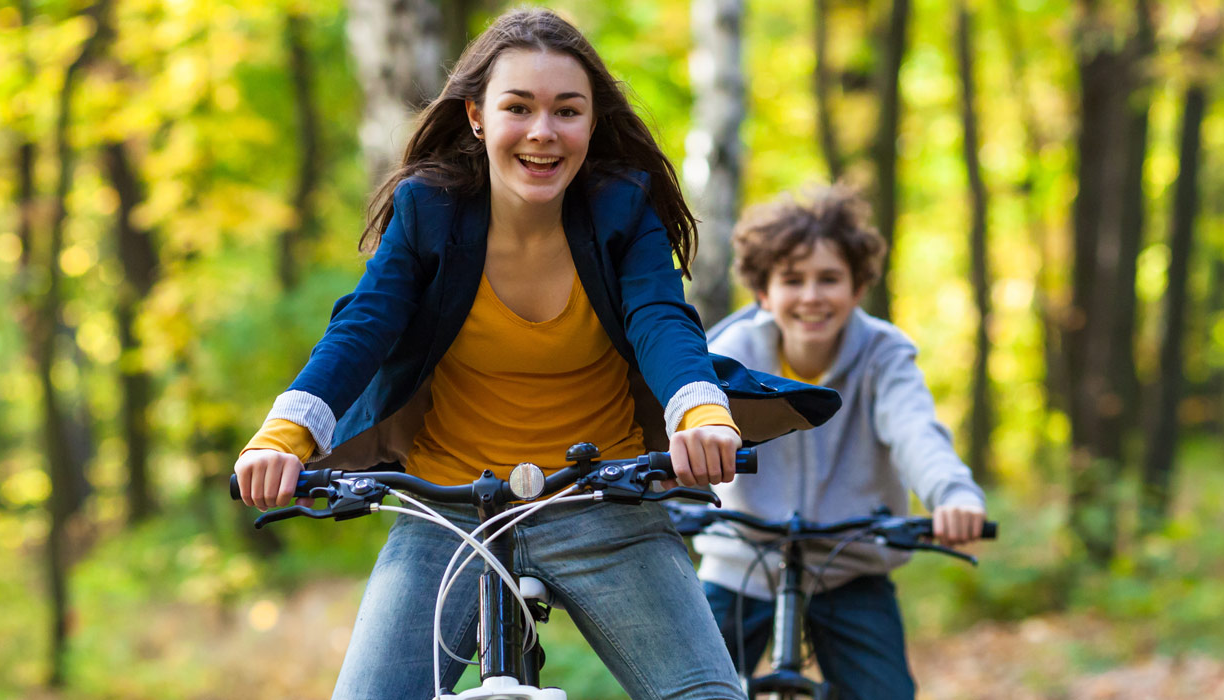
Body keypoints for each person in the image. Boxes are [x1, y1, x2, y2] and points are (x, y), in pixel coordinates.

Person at [232, 9, 837, 700]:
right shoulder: (429, 210)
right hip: (449, 510)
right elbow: (365, 323)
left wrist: (699, 415)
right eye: (518, 107)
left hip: (603, 502)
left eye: (567, 111)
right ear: (477, 116)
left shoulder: (622, 210)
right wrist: (285, 433)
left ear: (591, 123)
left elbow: (662, 320)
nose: (543, 132)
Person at [695, 185, 988, 700]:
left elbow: (915, 430)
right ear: (763, 293)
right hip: (741, 562)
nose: (811, 296)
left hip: (848, 566)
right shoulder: (729, 353)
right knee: (684, 686)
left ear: (856, 289)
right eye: (792, 280)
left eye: (829, 279)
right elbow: (684, 430)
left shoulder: (883, 353)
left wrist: (952, 494)